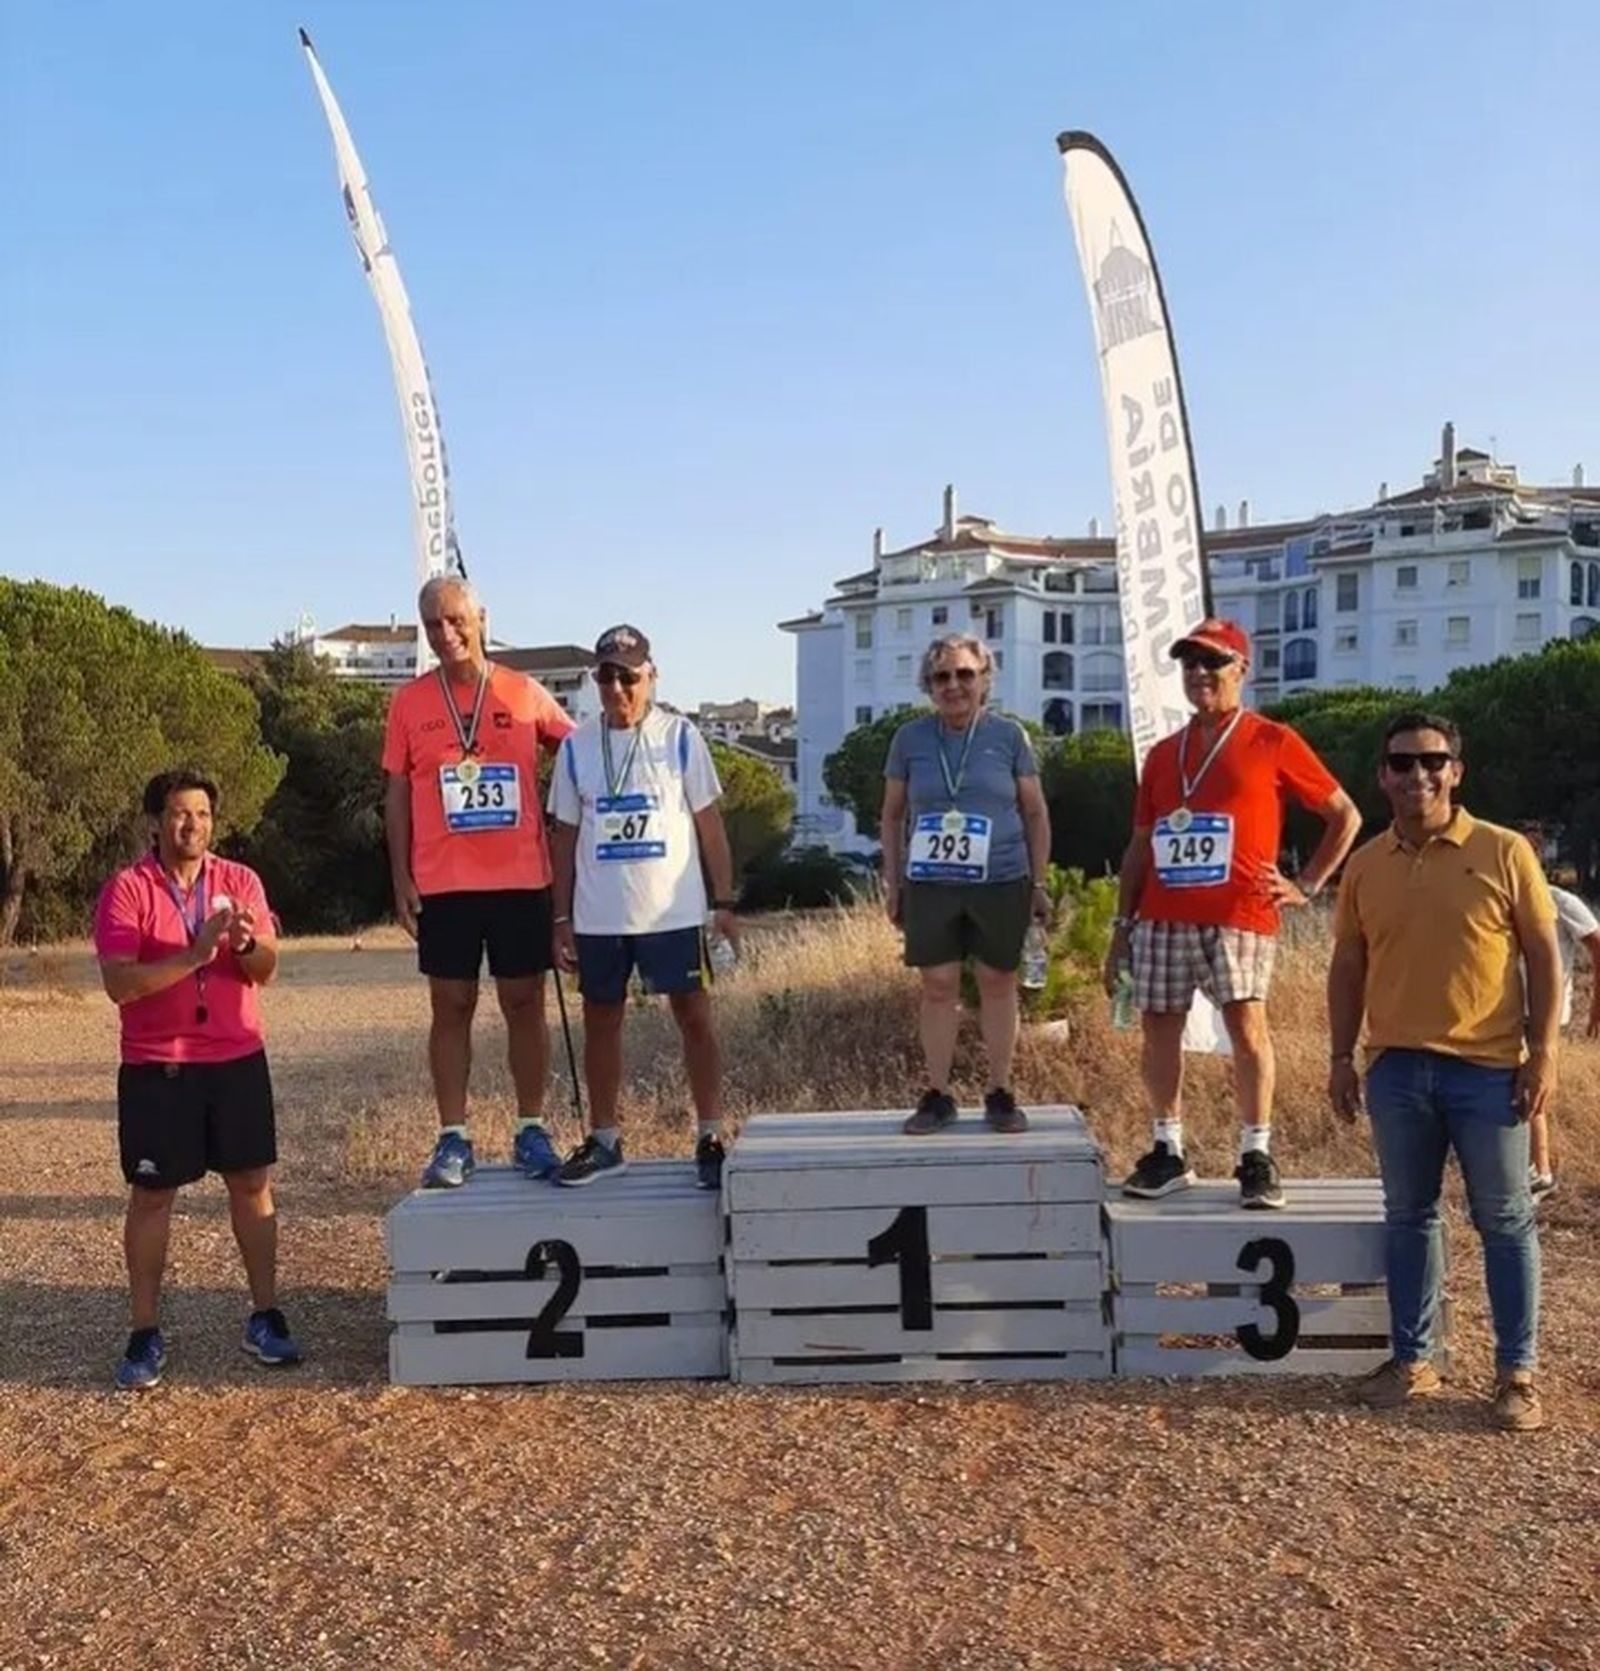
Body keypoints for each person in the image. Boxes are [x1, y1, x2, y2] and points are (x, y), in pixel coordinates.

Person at [1329, 713, 1559, 1431]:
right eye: (1402, 762)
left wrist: (1544, 1051)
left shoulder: (1504, 850)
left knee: (1506, 1220)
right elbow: (1348, 964)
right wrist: (1340, 1055)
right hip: (1396, 1069)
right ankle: (1412, 1360)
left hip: (1490, 1072)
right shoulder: (1365, 863)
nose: (1417, 775)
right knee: (1409, 1218)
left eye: (1433, 761)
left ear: (1457, 770)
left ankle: (1517, 1373)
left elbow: (1545, 954)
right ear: (1382, 775)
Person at [1105, 618, 1361, 1208]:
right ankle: (1168, 1150)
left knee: (1247, 1029)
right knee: (1158, 1029)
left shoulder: (1273, 739)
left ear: (1241, 669)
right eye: (1189, 662)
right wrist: (1122, 927)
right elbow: (1141, 844)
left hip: (1239, 914)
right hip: (1162, 915)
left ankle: (1255, 1153)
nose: (1199, 673)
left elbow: (1344, 814)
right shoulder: (1165, 754)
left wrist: (1308, 883)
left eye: (1213, 662)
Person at [94, 770, 300, 1391]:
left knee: (252, 1184)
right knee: (153, 1196)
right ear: (154, 823)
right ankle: (144, 1331)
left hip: (236, 1058)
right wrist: (194, 953)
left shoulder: (241, 882)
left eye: (204, 814)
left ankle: (265, 1315)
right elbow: (120, 984)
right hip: (159, 1065)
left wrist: (242, 946)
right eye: (181, 814)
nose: (194, 826)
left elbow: (267, 970)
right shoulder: (127, 891)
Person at [382, 575, 575, 1188]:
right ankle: (453, 1138)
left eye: (456, 620)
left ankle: (530, 1128)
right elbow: (395, 795)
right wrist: (400, 876)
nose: (446, 633)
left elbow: (577, 755)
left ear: (481, 618)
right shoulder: (409, 703)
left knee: (524, 1003)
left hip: (520, 878)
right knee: (452, 1007)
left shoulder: (524, 692)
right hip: (444, 883)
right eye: (433, 624)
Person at [547, 625, 738, 1188]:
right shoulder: (577, 747)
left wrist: (724, 901)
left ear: (650, 677)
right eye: (605, 676)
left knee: (694, 1018)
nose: (617, 688)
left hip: (672, 914)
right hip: (600, 915)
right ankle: (606, 1140)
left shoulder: (680, 737)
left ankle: (709, 1134)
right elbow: (563, 836)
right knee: (601, 1021)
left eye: (628, 676)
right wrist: (560, 918)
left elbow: (710, 825)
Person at [880, 634, 1052, 1135]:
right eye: (942, 677)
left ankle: (999, 1090)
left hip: (1000, 877)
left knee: (998, 981)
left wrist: (1038, 882)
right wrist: (893, 882)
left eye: (964, 674)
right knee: (937, 986)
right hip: (932, 881)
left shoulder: (1009, 737)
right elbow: (891, 816)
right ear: (929, 686)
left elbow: (1035, 811)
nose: (953, 685)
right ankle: (937, 1094)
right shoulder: (909, 739)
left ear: (984, 680)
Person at [1517, 823, 1600, 1200]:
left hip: (1543, 1010)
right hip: (1503, 1009)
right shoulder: (1501, 901)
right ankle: (1532, 1168)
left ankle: (1540, 1171)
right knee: (1512, 1086)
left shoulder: (1559, 901)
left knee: (1529, 1083)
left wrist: (1595, 1002)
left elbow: (1597, 945)